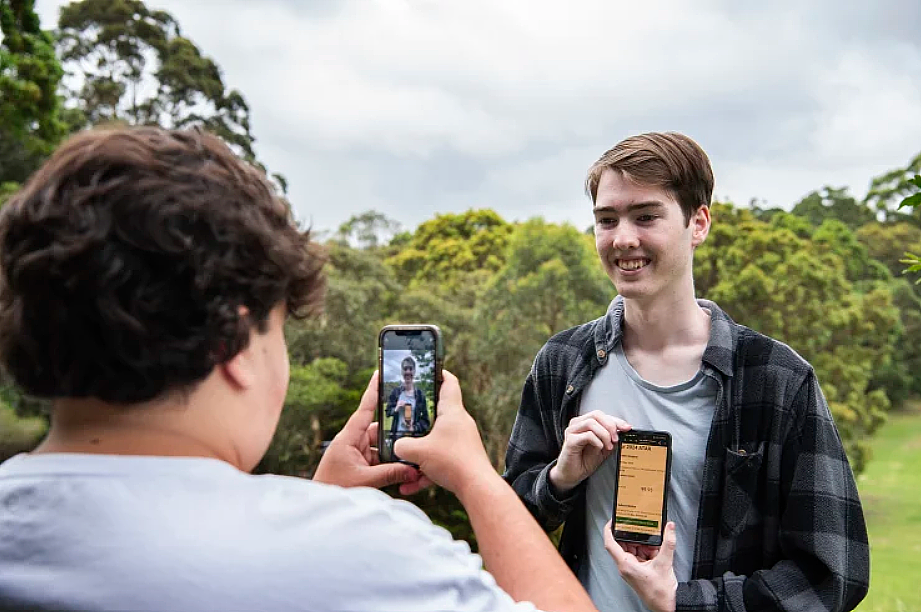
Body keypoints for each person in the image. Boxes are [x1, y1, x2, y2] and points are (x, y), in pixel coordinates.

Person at [0, 126, 598, 612]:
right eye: (278, 329)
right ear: (234, 342)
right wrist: (475, 476)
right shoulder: (364, 553)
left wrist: (317, 504)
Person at [503, 132, 870, 612]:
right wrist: (560, 479)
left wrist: (685, 602)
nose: (623, 238)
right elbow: (512, 516)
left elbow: (833, 573)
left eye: (646, 216)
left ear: (698, 223)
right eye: (606, 220)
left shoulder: (776, 378)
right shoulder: (562, 362)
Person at [387, 356, 430, 435]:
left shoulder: (420, 395)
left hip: (413, 439)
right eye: (405, 369)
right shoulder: (395, 392)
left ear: (414, 371)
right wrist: (396, 408)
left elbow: (426, 422)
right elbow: (388, 412)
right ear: (401, 371)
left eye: (410, 369)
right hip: (397, 438)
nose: (408, 372)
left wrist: (413, 428)